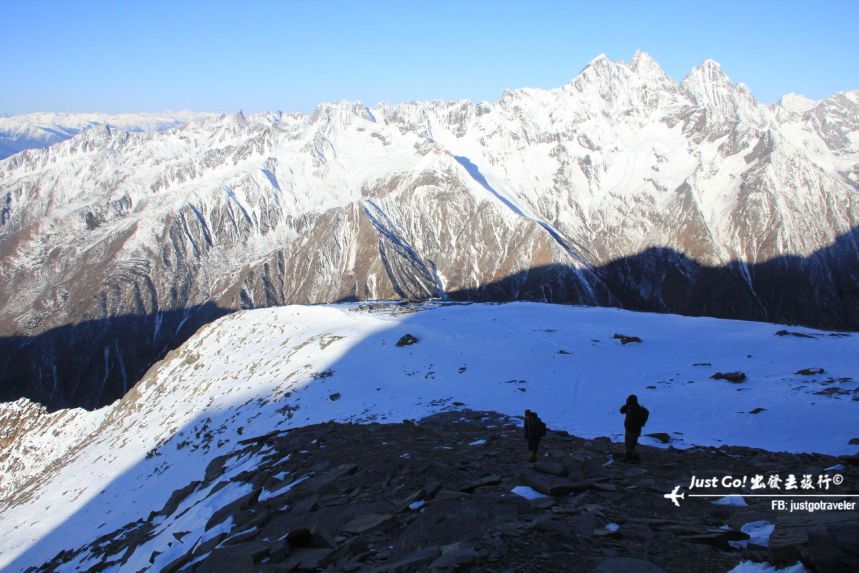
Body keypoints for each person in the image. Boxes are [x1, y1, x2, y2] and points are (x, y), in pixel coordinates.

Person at [619, 394, 649, 461]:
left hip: (634, 430)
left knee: (632, 444)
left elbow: (638, 419)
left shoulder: (637, 410)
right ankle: (630, 457)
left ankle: (634, 458)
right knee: (628, 443)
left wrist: (638, 426)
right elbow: (621, 411)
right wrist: (626, 406)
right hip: (629, 429)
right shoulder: (629, 408)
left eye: (629, 401)